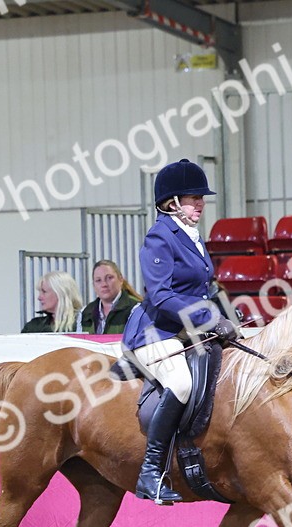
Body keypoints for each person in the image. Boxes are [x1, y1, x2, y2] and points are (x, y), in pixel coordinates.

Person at [121, 159, 238, 505]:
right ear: (171, 203)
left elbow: (204, 288)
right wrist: (208, 318)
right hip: (155, 332)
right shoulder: (160, 236)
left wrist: (227, 315)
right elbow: (161, 296)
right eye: (193, 198)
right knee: (181, 383)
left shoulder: (192, 236)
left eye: (201, 198)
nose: (200, 204)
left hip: (187, 331)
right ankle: (150, 472)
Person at [79, 260, 141, 335]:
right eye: (98, 280)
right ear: (94, 285)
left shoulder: (137, 309)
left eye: (109, 278)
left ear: (121, 279)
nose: (104, 284)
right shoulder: (85, 312)